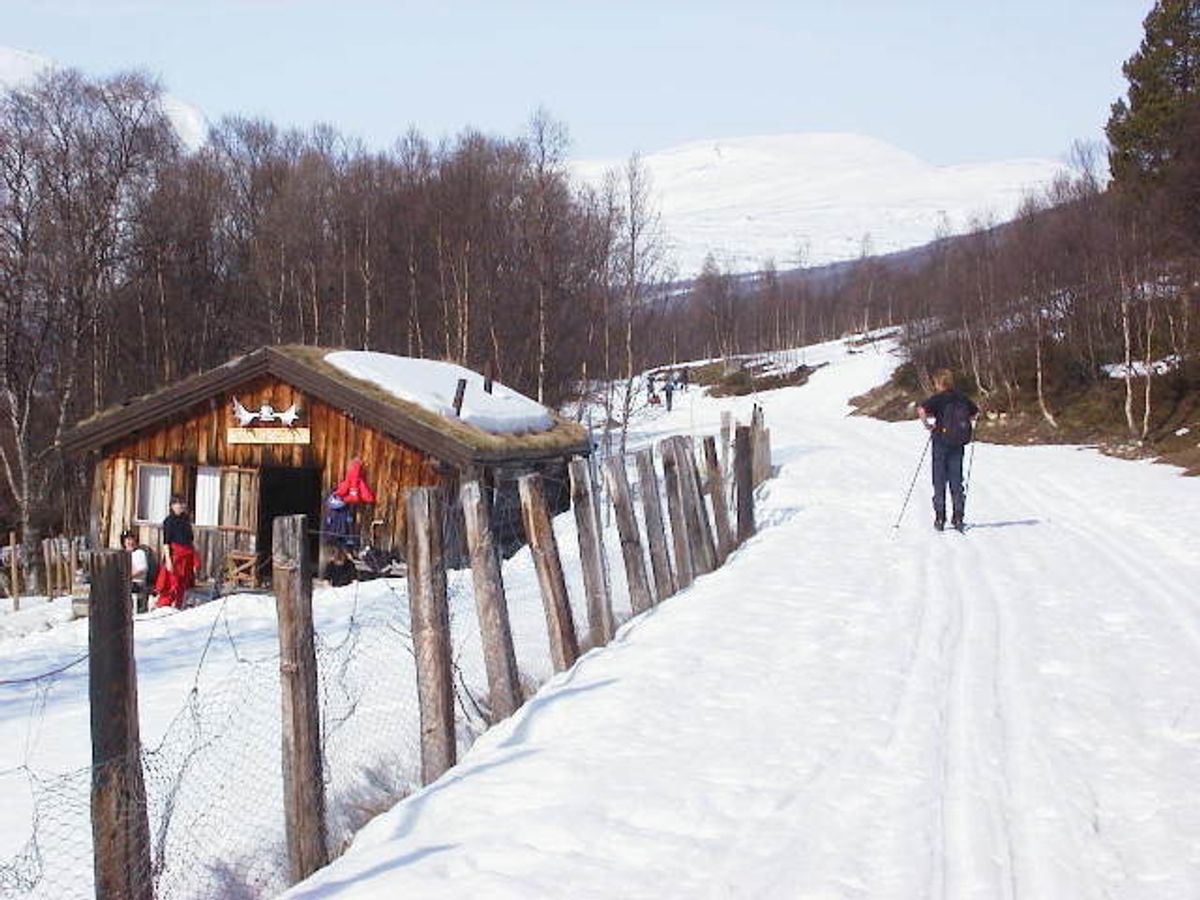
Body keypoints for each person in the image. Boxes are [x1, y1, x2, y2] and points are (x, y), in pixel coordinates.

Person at [917, 369, 979, 532]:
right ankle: (958, 516)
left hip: (940, 443)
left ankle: (940, 517)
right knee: (956, 481)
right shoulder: (961, 397)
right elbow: (975, 413)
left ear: (939, 383)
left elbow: (921, 409)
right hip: (958, 444)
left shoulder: (938, 399)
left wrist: (927, 425)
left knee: (939, 480)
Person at [154, 495, 197, 608]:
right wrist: (168, 560)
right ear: (172, 506)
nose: (180, 506)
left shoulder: (186, 520)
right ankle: (162, 607)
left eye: (182, 503)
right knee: (170, 585)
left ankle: (177, 607)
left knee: (182, 586)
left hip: (186, 556)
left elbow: (190, 541)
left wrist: (195, 561)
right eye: (177, 503)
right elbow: (166, 542)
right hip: (174, 556)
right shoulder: (169, 521)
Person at [121, 530, 153, 612]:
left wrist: (127, 576)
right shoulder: (122, 554)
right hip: (125, 581)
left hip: (137, 583)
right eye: (127, 540)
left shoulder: (139, 553)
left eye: (131, 540)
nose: (130, 542)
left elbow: (142, 569)